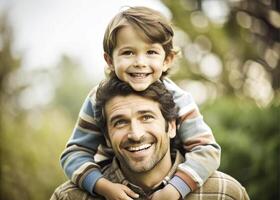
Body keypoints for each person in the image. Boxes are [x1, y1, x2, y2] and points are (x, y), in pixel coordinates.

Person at [60, 6, 221, 200]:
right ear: (110, 61)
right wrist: (103, 187)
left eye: (151, 52)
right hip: (116, 179)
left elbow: (207, 151)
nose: (140, 62)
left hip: (172, 180)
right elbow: (74, 154)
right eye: (128, 53)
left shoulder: (179, 99)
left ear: (167, 60)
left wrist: (174, 189)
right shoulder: (97, 99)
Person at [52, 77, 249, 200]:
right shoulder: (69, 197)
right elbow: (73, 153)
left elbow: (209, 150)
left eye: (147, 117)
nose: (136, 134)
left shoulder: (225, 193)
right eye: (120, 122)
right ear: (106, 136)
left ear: (171, 126)